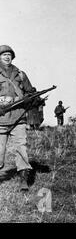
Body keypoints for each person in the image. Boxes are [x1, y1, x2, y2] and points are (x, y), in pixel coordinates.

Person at [0, 45, 35, 190]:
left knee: (21, 149)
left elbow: (30, 91)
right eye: (4, 55)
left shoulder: (20, 74)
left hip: (18, 117)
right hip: (1, 119)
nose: (7, 57)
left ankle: (23, 180)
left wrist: (31, 97)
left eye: (9, 54)